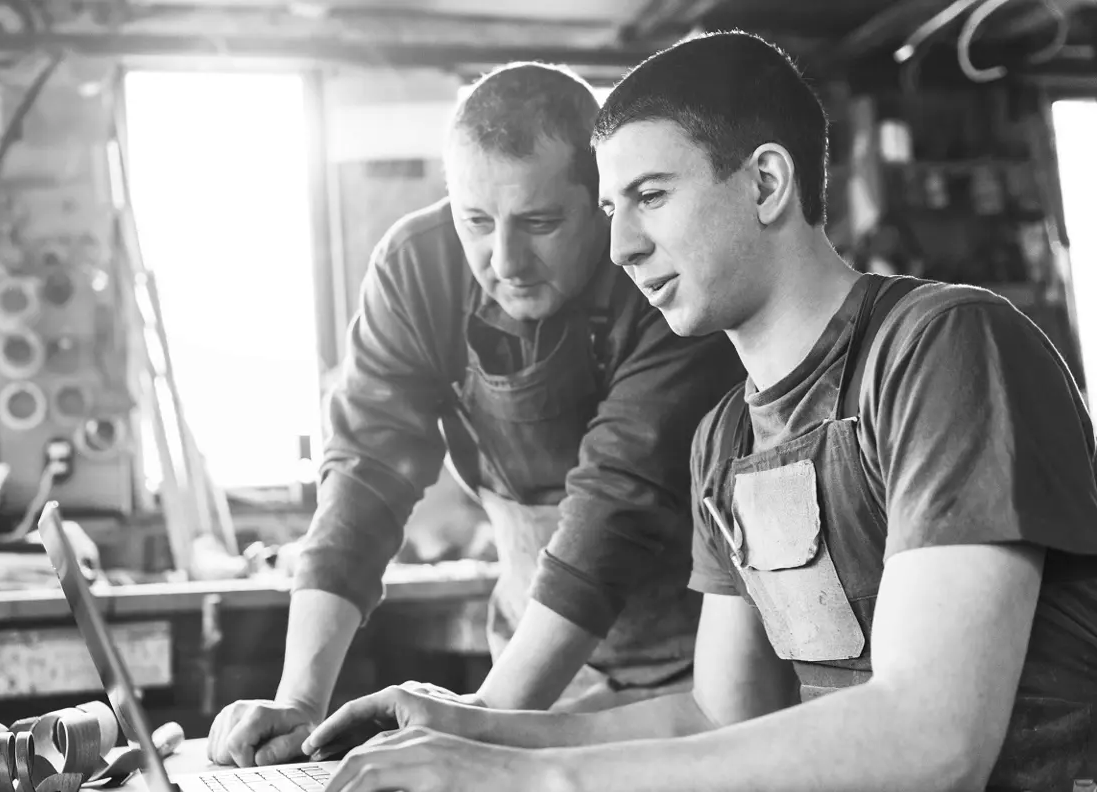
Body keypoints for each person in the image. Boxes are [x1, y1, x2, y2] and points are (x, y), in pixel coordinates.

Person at [302, 31, 1097, 792]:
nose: (621, 248)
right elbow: (716, 715)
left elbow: (933, 742)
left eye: (651, 196)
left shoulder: (946, 347)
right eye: (613, 209)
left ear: (765, 183)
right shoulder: (726, 438)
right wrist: (469, 730)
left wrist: (522, 776)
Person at [206, 62, 743, 767]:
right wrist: (301, 701)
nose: (506, 260)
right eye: (477, 223)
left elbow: (619, 507)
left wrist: (482, 725)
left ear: (603, 203)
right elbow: (363, 482)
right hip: (533, 657)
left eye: (541, 222)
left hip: (695, 675)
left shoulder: (661, 279)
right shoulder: (415, 267)